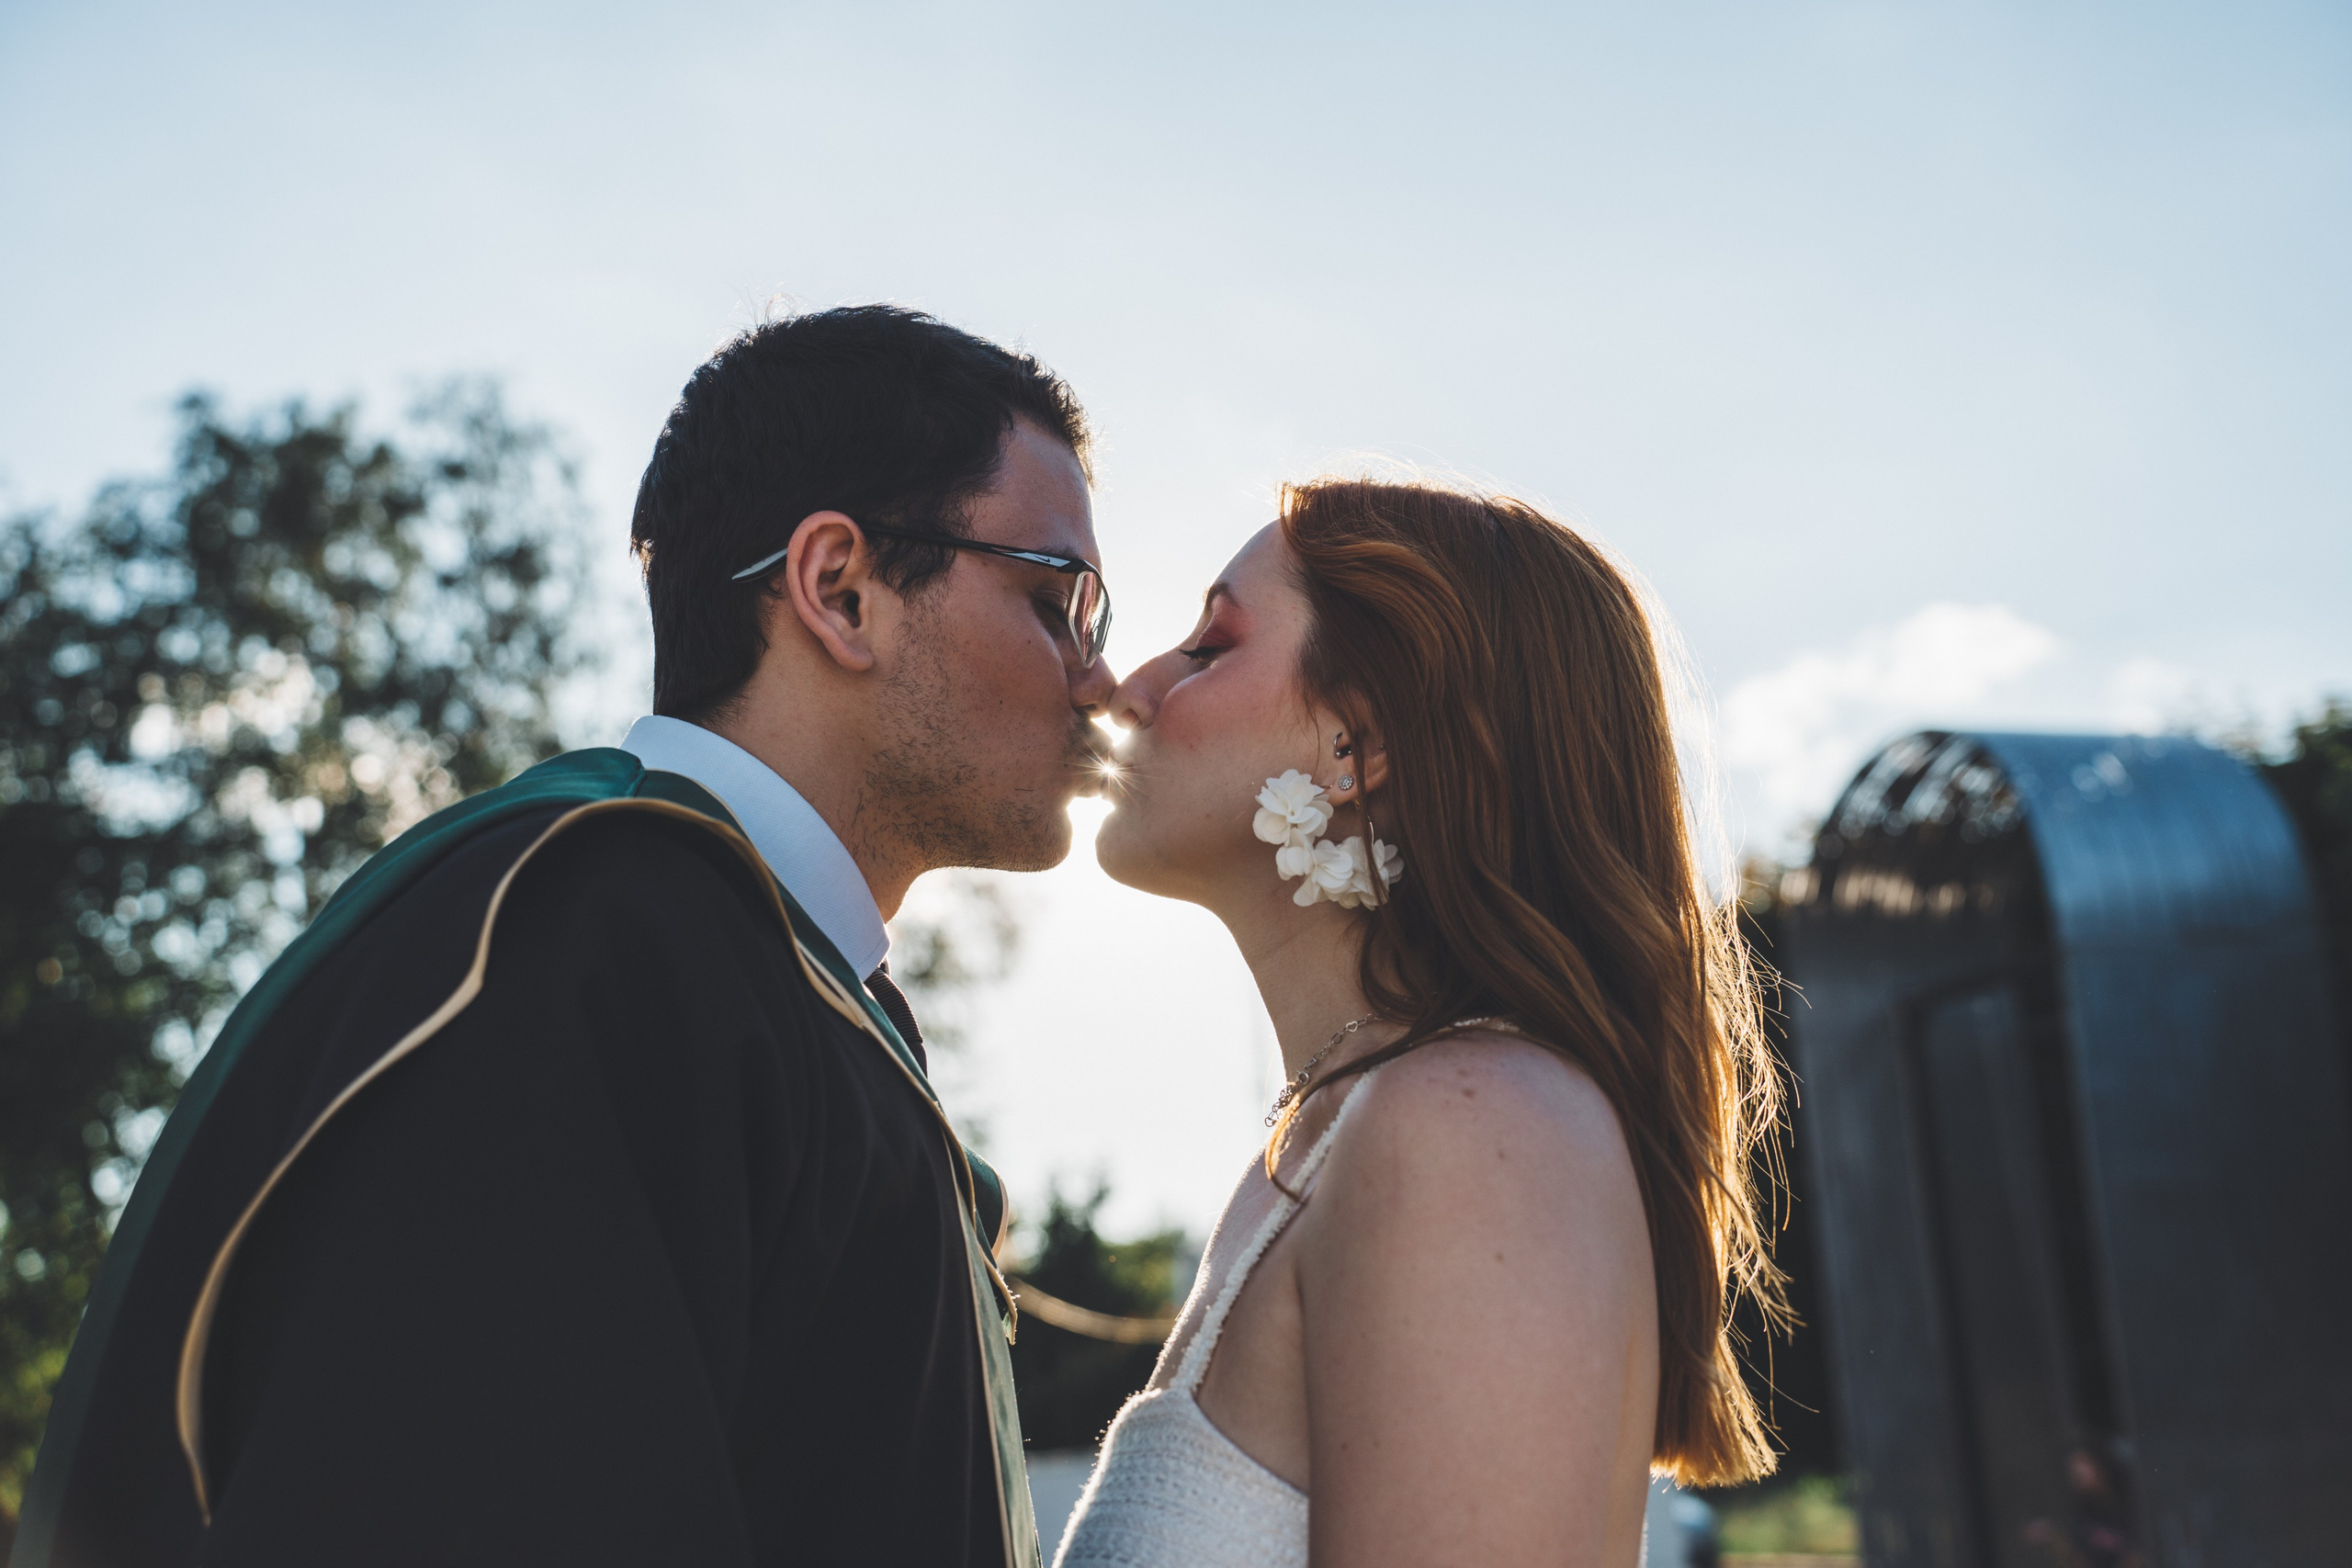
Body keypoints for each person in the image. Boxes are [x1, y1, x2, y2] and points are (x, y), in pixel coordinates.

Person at [14, 306, 1114, 1568]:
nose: (1098, 675)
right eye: (1059, 596)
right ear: (841, 588)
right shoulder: (576, 928)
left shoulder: (737, 961)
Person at [1057, 479, 1784, 1567]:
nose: (1128, 690)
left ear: (1363, 742)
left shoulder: (1467, 1125)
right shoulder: (1333, 1140)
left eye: (1209, 645)